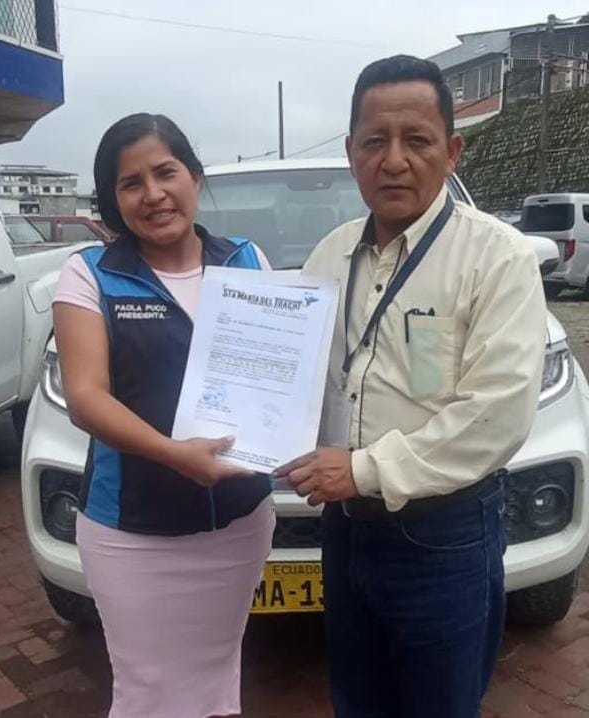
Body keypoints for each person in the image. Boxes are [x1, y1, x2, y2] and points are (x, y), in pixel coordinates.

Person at [274, 55, 547, 718]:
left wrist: (361, 469)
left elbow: (497, 414)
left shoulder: (496, 256)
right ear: (352, 153)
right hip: (345, 529)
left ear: (452, 152)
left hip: (443, 534)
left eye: (416, 140)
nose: (393, 160)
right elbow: (297, 373)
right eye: (375, 141)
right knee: (357, 699)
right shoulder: (330, 255)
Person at [52, 113, 276, 718]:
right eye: (131, 183)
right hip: (132, 533)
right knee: (148, 689)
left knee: (217, 675)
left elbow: (273, 373)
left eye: (165, 172)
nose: (152, 194)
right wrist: (174, 455)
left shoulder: (246, 259)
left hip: (238, 521)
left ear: (195, 177)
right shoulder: (90, 274)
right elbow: (86, 397)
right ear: (114, 199)